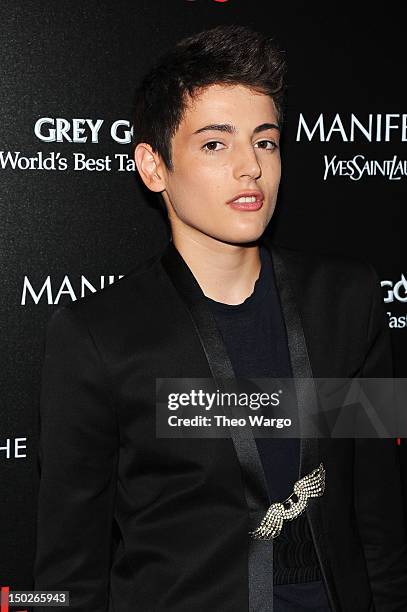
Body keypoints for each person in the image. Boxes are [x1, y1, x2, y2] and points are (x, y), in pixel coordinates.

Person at [34, 24, 407, 611]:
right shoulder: (98, 337)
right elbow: (65, 570)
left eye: (265, 141)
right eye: (214, 144)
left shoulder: (348, 301)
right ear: (154, 167)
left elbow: (380, 516)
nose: (250, 168)